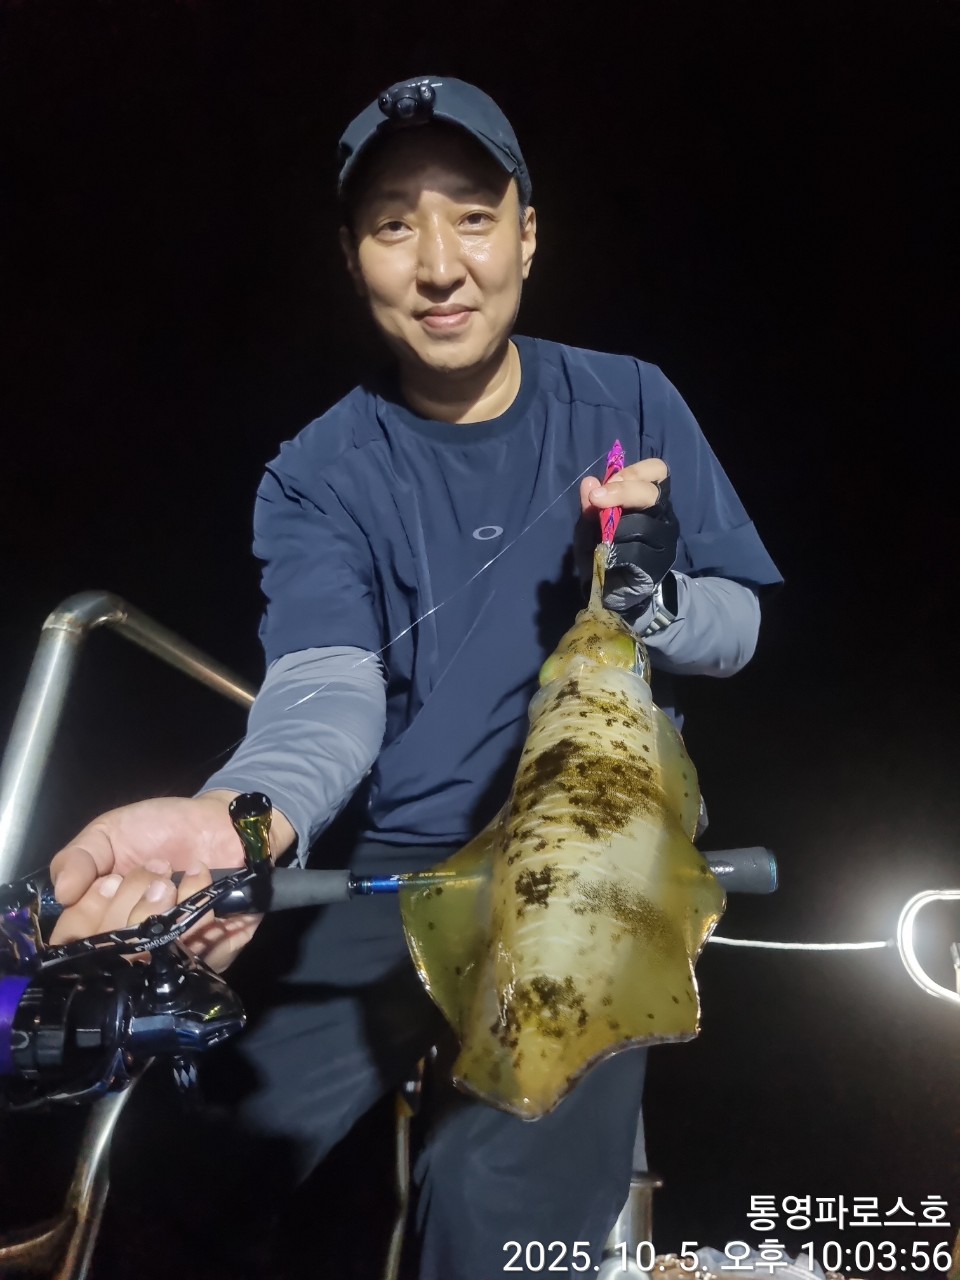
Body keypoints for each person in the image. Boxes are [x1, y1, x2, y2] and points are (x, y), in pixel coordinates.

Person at [50, 77, 782, 1279]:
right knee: (196, 1161)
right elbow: (327, 687)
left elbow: (738, 624)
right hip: (391, 868)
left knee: (496, 1214)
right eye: (395, 225)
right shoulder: (317, 472)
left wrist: (654, 602)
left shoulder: (632, 399)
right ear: (354, 259)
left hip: (589, 861)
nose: (441, 264)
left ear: (528, 234)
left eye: (474, 218)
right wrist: (244, 818)